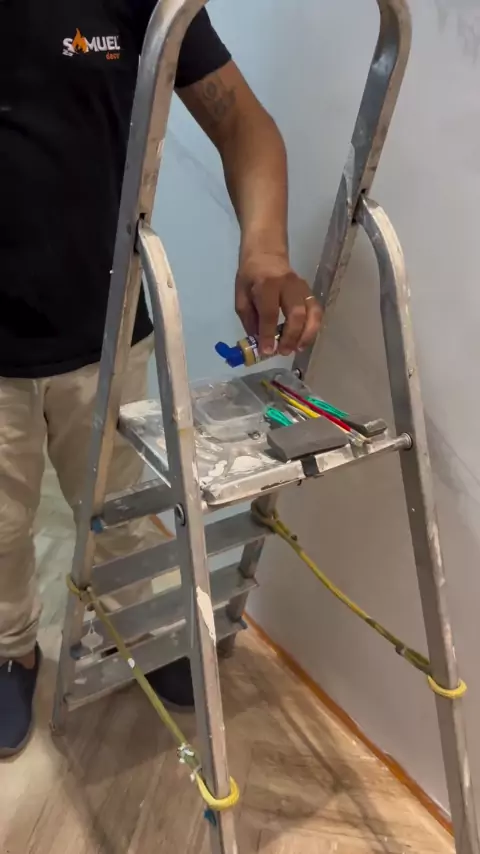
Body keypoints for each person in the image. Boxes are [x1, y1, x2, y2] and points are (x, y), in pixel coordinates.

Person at [0, 4, 322, 756]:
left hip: (106, 330)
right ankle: (10, 649)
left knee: (116, 509)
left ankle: (126, 631)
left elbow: (244, 125)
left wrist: (265, 250)